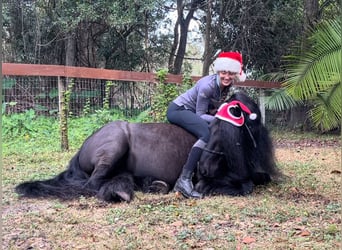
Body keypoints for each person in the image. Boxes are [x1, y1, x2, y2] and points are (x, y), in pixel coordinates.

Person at [166, 51, 247, 198]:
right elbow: (201, 115)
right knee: (206, 133)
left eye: (231, 73)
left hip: (191, 112)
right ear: (218, 71)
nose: (227, 77)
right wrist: (222, 118)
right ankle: (184, 180)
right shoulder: (207, 86)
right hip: (178, 110)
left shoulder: (225, 85)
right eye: (224, 72)